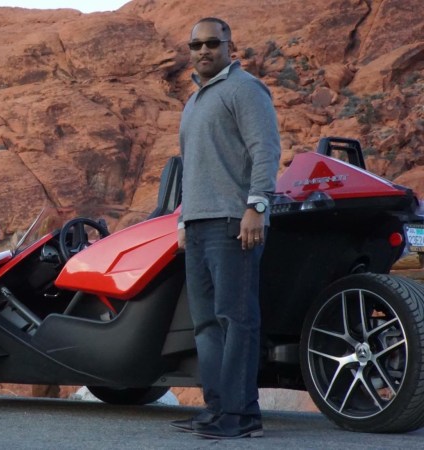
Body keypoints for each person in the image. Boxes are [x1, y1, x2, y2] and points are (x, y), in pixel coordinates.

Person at [170, 17, 281, 439]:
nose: (202, 51)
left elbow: (265, 149)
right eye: (195, 45)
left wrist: (256, 206)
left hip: (234, 222)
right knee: (206, 324)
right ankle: (218, 409)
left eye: (211, 43)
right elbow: (190, 168)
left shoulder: (245, 89)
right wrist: (183, 218)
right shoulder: (194, 101)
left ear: (229, 45)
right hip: (198, 225)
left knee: (236, 320)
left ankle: (242, 415)